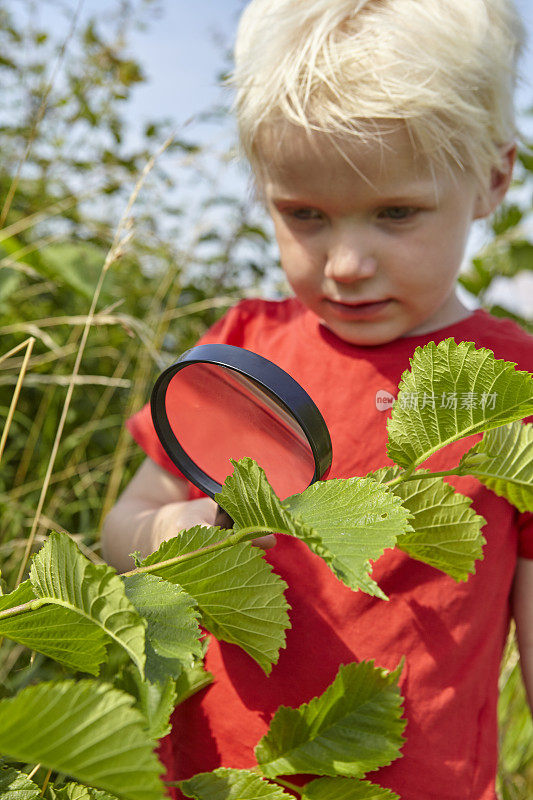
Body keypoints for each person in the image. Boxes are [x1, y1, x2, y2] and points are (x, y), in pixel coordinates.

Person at [101, 1, 533, 797]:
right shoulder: (242, 350)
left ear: (492, 180)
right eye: (304, 216)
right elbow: (122, 524)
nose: (343, 264)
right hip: (214, 778)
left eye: (394, 213)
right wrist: (176, 530)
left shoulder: (510, 387)